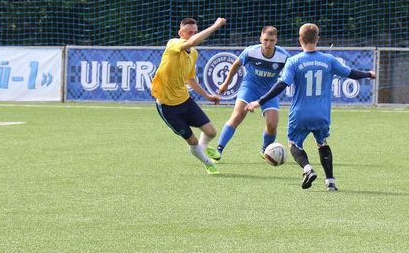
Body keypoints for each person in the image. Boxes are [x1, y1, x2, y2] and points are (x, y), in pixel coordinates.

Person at [246, 23, 376, 191]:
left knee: (294, 144)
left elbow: (281, 85)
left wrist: (259, 101)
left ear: (300, 39)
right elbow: (352, 73)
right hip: (321, 114)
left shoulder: (294, 61)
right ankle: (330, 182)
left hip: (300, 113)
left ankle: (307, 168)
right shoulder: (329, 60)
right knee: (322, 143)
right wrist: (368, 74)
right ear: (317, 39)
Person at [151, 17, 226, 174]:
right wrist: (215, 26)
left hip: (185, 101)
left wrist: (207, 96)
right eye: (189, 32)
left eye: (195, 32)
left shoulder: (194, 54)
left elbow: (190, 79)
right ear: (180, 33)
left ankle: (202, 148)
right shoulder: (173, 44)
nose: (192, 35)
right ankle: (208, 163)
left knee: (211, 132)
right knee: (192, 140)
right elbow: (191, 42)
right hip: (167, 107)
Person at [215, 26, 290, 160]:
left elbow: (291, 72)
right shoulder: (250, 51)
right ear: (260, 39)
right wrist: (226, 83)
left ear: (276, 40)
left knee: (272, 124)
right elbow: (236, 64)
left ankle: (265, 150)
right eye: (265, 40)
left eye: (271, 40)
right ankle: (218, 150)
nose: (268, 43)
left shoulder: (284, 56)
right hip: (249, 87)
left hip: (269, 91)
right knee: (237, 116)